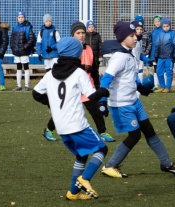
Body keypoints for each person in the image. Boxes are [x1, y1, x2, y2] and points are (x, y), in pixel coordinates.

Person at [99, 21, 175, 178]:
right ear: (122, 38)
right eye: (131, 36)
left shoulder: (130, 54)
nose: (135, 38)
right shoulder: (119, 57)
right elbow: (106, 80)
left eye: (135, 35)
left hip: (134, 102)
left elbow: (130, 78)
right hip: (122, 105)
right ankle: (110, 166)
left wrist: (142, 89)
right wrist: (102, 101)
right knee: (135, 135)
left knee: (149, 131)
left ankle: (166, 164)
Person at [32, 37, 109, 200]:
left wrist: (51, 104)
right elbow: (92, 96)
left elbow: (36, 93)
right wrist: (104, 92)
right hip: (77, 124)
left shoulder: (51, 73)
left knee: (82, 155)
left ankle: (73, 193)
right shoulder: (79, 73)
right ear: (75, 54)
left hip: (61, 127)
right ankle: (85, 178)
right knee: (102, 149)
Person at [71, 21, 115, 142]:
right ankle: (49, 129)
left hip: (87, 86)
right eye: (78, 33)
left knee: (96, 111)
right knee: (67, 111)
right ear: (73, 35)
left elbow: (94, 68)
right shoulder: (70, 49)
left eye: (83, 33)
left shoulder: (89, 48)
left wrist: (97, 84)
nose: (81, 35)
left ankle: (103, 132)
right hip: (73, 87)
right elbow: (67, 67)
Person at [36, 14, 61, 141]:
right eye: (46, 21)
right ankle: (49, 87)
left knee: (55, 72)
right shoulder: (41, 31)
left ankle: (55, 86)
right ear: (44, 22)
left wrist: (53, 47)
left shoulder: (55, 31)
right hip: (46, 55)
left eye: (50, 21)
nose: (48, 22)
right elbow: (39, 43)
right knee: (48, 73)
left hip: (54, 54)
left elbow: (59, 43)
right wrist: (39, 53)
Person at [10, 10, 36, 91]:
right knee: (18, 68)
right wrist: (13, 47)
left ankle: (27, 85)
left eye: (22, 17)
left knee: (26, 67)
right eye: (19, 17)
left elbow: (31, 39)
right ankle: (18, 85)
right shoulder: (15, 27)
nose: (20, 19)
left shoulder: (28, 27)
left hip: (24, 51)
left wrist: (25, 47)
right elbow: (12, 39)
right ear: (17, 18)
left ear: (24, 18)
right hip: (17, 51)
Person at [154, 18, 175, 93]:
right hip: (160, 57)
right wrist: (156, 55)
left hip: (169, 57)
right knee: (159, 71)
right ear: (162, 26)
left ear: (170, 26)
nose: (166, 28)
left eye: (167, 26)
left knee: (169, 72)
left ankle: (167, 87)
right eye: (164, 26)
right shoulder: (160, 34)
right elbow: (157, 45)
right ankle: (162, 86)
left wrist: (174, 56)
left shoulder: (173, 34)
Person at [85, 20, 102, 88]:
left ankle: (96, 86)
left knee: (95, 72)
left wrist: (100, 56)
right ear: (87, 28)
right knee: (87, 71)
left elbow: (100, 46)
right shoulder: (85, 36)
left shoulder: (97, 36)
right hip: (87, 57)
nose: (91, 28)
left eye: (92, 27)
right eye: (89, 27)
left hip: (95, 57)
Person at [149, 15, 162, 90]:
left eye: (158, 21)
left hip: (161, 53)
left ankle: (162, 85)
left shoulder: (163, 30)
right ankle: (156, 85)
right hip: (154, 53)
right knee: (155, 68)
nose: (157, 23)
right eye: (155, 22)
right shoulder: (153, 32)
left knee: (161, 69)